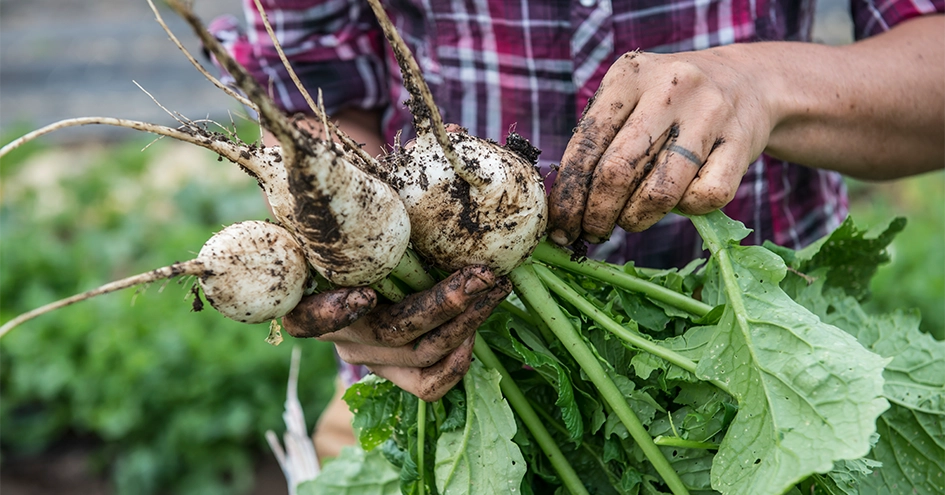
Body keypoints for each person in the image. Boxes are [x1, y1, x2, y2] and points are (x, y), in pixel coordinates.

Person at [209, 0, 945, 456]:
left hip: (776, 373)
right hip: (446, 377)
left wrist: (762, 85)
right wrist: (362, 260)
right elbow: (307, 85)